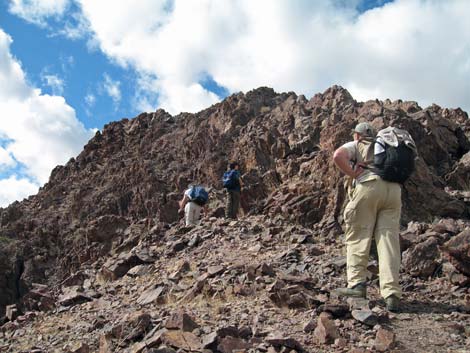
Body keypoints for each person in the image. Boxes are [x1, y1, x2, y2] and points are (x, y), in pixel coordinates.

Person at [332, 122, 402, 312]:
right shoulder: (387, 147)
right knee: (388, 241)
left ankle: (356, 286)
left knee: (358, 235)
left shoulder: (357, 145)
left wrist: (353, 173)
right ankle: (392, 294)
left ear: (358, 135)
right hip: (394, 190)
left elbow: (338, 156)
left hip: (369, 186)